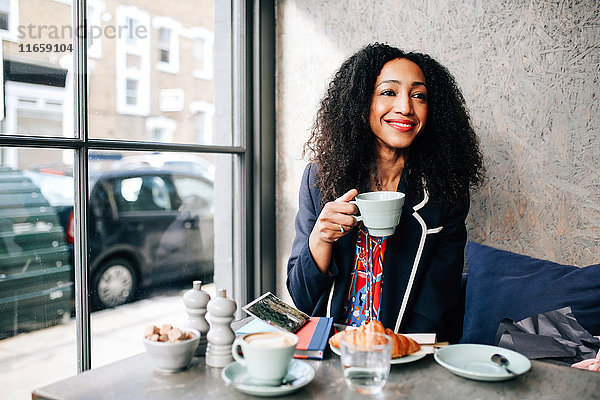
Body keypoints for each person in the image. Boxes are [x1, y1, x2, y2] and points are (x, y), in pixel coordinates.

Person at [286, 43, 485, 343]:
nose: (406, 106)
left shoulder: (446, 191)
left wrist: (389, 351)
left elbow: (437, 303)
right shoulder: (320, 179)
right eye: (389, 92)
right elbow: (302, 299)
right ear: (361, 102)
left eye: (418, 95)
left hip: (404, 352)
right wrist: (320, 238)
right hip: (330, 349)